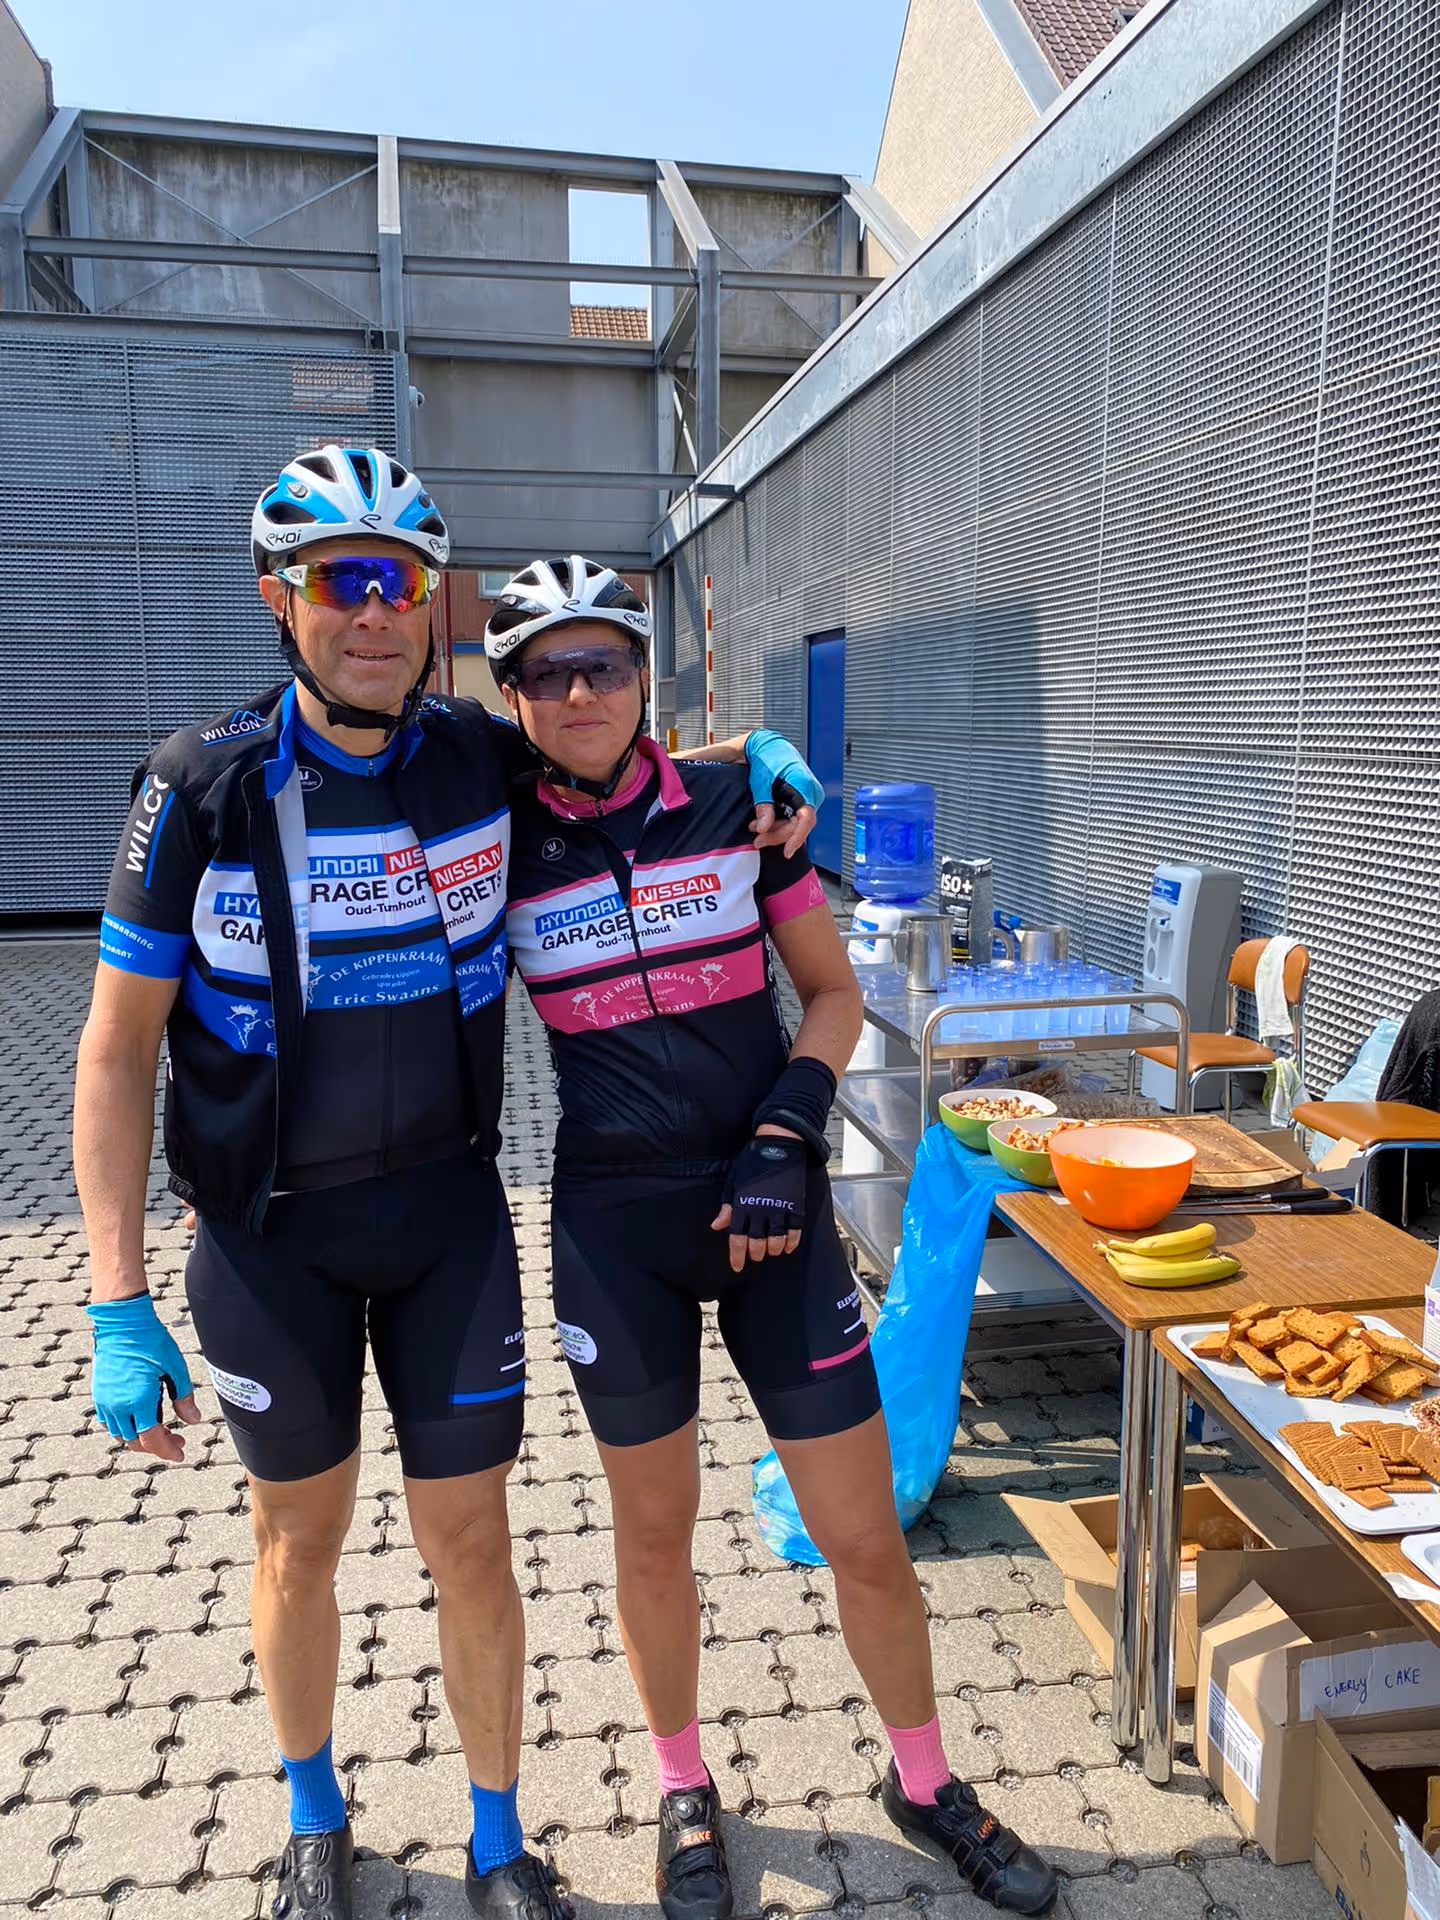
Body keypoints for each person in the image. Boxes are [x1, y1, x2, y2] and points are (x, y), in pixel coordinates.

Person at [72, 450, 819, 1920]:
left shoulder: (479, 755)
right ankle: (314, 1815)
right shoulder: (200, 788)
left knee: (472, 1541)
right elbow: (110, 1054)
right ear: (280, 599)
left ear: (434, 606)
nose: (374, 611)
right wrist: (114, 1300)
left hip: (448, 1226)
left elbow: (620, 746)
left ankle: (495, 1833)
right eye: (341, 579)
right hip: (267, 1239)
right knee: (298, 1542)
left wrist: (761, 754)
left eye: (401, 580)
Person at [485, 557, 1060, 1920]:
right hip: (617, 1231)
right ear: (512, 697)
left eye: (603, 663)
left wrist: (786, 1135)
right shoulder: (498, 840)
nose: (578, 692)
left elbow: (832, 995)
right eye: (547, 672)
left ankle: (924, 1781)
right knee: (652, 1540)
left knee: (864, 1535)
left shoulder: (739, 810)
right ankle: (685, 1784)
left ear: (643, 677)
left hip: (774, 1209)